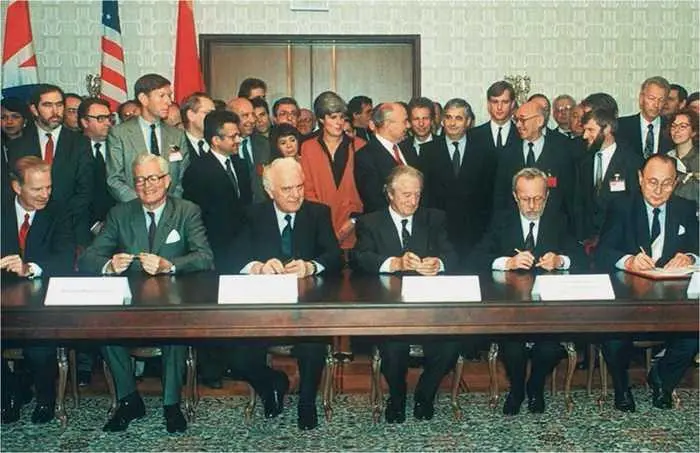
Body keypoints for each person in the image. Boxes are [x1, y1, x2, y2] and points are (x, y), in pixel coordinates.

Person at [79, 154, 214, 433]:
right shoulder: (120, 213)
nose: (146, 185)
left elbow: (205, 257)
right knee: (104, 329)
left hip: (172, 299)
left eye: (153, 178)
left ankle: (171, 404)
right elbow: (88, 258)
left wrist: (170, 265)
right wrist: (108, 265)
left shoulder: (187, 210)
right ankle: (129, 400)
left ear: (167, 180)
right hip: (129, 303)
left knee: (174, 331)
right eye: (139, 180)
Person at [229, 157, 342, 430]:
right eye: (287, 189)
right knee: (236, 356)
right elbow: (231, 258)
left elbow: (335, 257)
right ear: (270, 191)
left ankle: (307, 403)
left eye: (299, 187)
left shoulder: (318, 213)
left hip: (306, 310)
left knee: (313, 347)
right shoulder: (252, 215)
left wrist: (310, 266)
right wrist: (258, 267)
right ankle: (272, 384)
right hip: (263, 312)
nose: (295, 195)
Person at [469, 167, 582, 415]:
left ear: (547, 197)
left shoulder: (559, 220)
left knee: (549, 348)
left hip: (549, 310)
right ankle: (517, 389)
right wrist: (507, 262)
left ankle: (535, 386)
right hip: (511, 309)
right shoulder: (501, 220)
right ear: (514, 196)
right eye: (525, 198)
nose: (532, 206)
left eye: (538, 198)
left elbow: (583, 259)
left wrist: (561, 260)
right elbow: (475, 258)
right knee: (512, 347)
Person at [350, 165, 460, 423]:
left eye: (417, 195)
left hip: (429, 311)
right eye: (406, 195)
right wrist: (395, 263)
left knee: (450, 346)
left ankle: (425, 394)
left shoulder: (434, 219)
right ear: (390, 194)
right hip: (390, 311)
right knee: (393, 349)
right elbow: (359, 258)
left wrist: (439, 263)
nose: (413, 201)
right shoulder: (370, 222)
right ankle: (397, 396)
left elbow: (453, 255)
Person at [595, 154, 699, 412]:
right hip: (628, 297)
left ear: (675, 183)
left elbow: (698, 246)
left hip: (673, 299)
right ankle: (622, 387)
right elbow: (603, 252)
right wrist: (629, 261)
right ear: (640, 178)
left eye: (666, 183)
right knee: (612, 335)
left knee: (693, 335)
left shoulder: (685, 208)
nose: (659, 190)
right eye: (652, 182)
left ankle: (662, 379)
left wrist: (689, 256)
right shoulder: (621, 207)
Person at [1, 157, 75, 425]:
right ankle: (10, 393)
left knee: (38, 346)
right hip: (4, 294)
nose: (45, 194)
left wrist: (29, 267)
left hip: (43, 296)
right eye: (37, 189)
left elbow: (65, 259)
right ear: (16, 187)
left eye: (48, 187)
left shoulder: (58, 210)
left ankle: (46, 398)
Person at [7, 84, 94, 248]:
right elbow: (14, 189)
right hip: (29, 227)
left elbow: (86, 190)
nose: (55, 111)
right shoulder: (17, 145)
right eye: (48, 105)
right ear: (34, 109)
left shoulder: (80, 143)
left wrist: (58, 219)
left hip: (71, 228)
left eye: (59, 105)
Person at [419, 98, 497, 268]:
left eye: (458, 118)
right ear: (442, 120)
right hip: (439, 235)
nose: (452, 123)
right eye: (448, 117)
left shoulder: (485, 151)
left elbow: (491, 195)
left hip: (475, 235)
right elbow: (424, 196)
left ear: (468, 122)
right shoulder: (428, 151)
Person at [493, 100, 576, 232]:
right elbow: (500, 196)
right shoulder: (507, 151)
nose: (518, 125)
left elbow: (571, 195)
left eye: (523, 120)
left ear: (539, 121)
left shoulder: (562, 149)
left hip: (554, 228)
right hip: (514, 228)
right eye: (516, 120)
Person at [107, 73, 189, 203]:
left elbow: (181, 178)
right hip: (134, 208)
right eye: (162, 96)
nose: (168, 102)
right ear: (143, 99)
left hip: (170, 208)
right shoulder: (119, 134)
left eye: (169, 96)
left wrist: (168, 206)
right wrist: (143, 205)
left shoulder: (176, 135)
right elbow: (114, 179)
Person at [300, 91, 366, 252]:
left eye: (342, 117)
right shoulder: (308, 147)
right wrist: (324, 226)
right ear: (321, 119)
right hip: (319, 228)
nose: (339, 123)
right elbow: (307, 190)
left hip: (354, 228)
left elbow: (366, 191)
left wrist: (353, 221)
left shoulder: (360, 146)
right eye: (333, 117)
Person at [575, 108, 643, 248]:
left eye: (590, 130)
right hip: (588, 243)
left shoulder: (631, 161)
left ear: (607, 129)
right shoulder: (584, 161)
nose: (585, 136)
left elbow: (635, 203)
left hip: (620, 242)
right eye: (585, 130)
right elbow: (580, 203)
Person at [354, 102, 418, 214]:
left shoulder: (409, 149)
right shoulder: (365, 156)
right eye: (404, 121)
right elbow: (374, 200)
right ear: (388, 124)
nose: (408, 126)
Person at [228, 97, 271, 202]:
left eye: (253, 115)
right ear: (231, 118)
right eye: (245, 115)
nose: (252, 120)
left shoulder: (265, 144)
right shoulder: (224, 147)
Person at [617, 76, 673, 158]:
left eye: (661, 100)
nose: (656, 105)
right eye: (652, 98)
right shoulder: (621, 126)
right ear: (641, 98)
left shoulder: (671, 127)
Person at [468, 81, 518, 158]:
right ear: (488, 104)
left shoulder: (522, 134)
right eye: (495, 102)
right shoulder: (472, 136)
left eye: (505, 102)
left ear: (512, 104)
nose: (499, 107)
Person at [666, 108, 699, 204]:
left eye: (682, 127)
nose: (676, 131)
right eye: (673, 126)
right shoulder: (666, 159)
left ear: (694, 131)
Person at [180, 92, 215, 159]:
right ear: (191, 115)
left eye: (214, 113)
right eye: (208, 113)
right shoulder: (178, 144)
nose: (214, 117)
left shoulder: (219, 144)